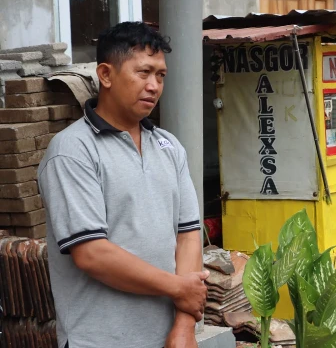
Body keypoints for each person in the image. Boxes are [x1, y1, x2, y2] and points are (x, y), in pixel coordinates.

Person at [38, 22, 209, 348]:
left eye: (160, 75)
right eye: (143, 72)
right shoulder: (72, 151)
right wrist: (177, 288)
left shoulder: (169, 146)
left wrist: (185, 326)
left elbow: (187, 235)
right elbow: (92, 254)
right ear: (105, 74)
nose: (154, 86)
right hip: (100, 339)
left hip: (168, 337)